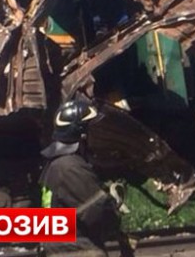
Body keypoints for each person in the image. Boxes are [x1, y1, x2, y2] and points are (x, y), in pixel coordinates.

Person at [39, 99, 130, 257]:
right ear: (82, 135)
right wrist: (112, 203)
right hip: (77, 251)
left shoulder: (57, 165)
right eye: (94, 130)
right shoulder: (71, 169)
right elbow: (99, 216)